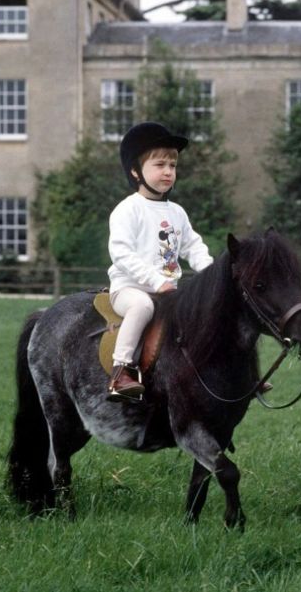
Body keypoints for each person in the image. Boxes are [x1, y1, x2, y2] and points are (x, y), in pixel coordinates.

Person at [106, 122, 213, 403]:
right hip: (129, 290)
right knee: (142, 306)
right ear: (135, 171)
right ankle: (120, 372)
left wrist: (212, 274)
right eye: (159, 164)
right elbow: (121, 253)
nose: (168, 171)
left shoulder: (176, 212)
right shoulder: (128, 210)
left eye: (173, 165)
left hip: (168, 292)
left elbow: (194, 246)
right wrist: (157, 282)